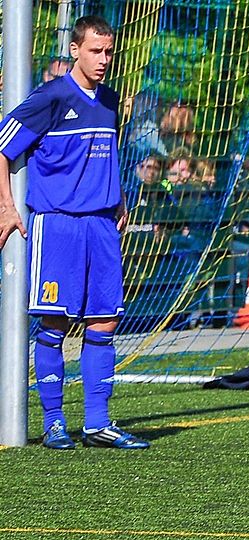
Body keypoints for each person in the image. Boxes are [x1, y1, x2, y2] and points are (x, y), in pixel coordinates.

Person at [0, 16, 150, 450]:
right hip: (58, 223)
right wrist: (8, 207)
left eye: (109, 52)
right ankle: (53, 423)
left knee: (105, 320)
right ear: (75, 50)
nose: (104, 60)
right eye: (95, 51)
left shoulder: (110, 99)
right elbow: (3, 149)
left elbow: (107, 150)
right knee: (56, 321)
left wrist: (118, 195)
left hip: (102, 225)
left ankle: (98, 423)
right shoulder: (49, 97)